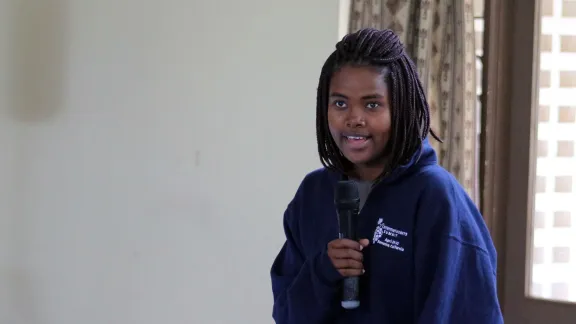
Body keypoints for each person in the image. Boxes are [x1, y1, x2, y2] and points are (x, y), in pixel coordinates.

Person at [269, 28, 504, 324]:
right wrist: (324, 271)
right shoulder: (313, 193)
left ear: (401, 108)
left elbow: (468, 314)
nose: (354, 118)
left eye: (372, 104)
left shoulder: (435, 195)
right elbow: (287, 315)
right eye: (340, 103)